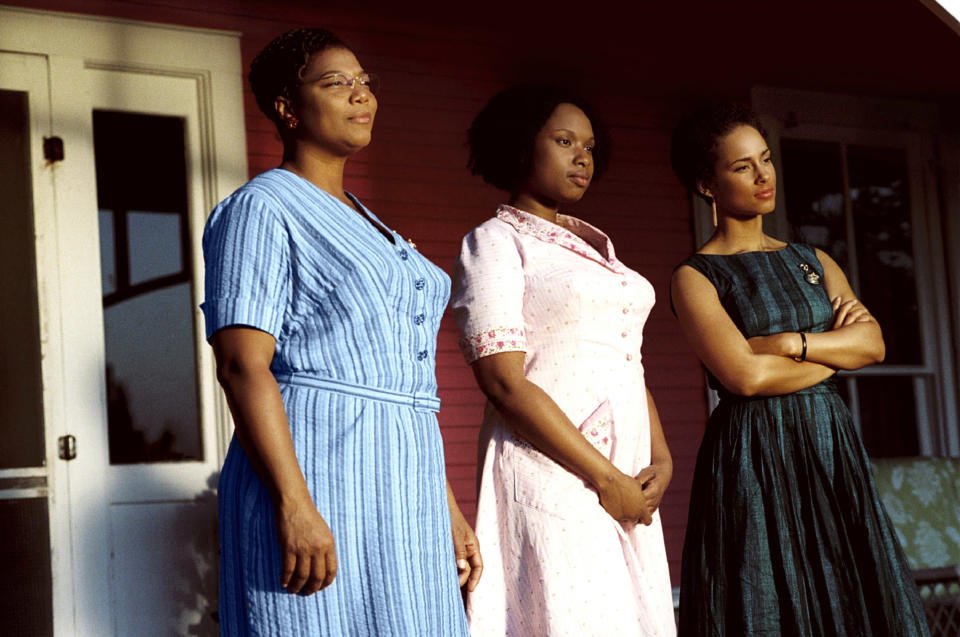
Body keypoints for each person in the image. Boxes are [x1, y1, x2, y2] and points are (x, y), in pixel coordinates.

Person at [201, 28, 480, 636]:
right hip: (319, 471)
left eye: (364, 83)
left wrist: (448, 510)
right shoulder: (262, 209)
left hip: (404, 482)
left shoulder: (368, 219)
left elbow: (403, 381)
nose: (361, 96)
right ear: (286, 106)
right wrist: (294, 506)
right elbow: (242, 365)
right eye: (335, 83)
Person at [669, 102, 929, 636]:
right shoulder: (695, 277)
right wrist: (835, 352)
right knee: (766, 596)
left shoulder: (812, 260)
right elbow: (746, 379)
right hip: (753, 453)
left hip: (828, 443)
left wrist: (792, 343)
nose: (764, 175)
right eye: (743, 167)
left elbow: (874, 344)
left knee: (848, 585)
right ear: (707, 184)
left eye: (765, 159)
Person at [451, 84, 677, 636]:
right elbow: (502, 383)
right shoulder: (496, 243)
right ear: (521, 146)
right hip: (556, 473)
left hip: (626, 482)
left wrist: (662, 459)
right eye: (564, 140)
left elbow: (627, 359)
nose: (583, 157)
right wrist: (604, 479)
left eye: (591, 146)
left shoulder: (596, 250)